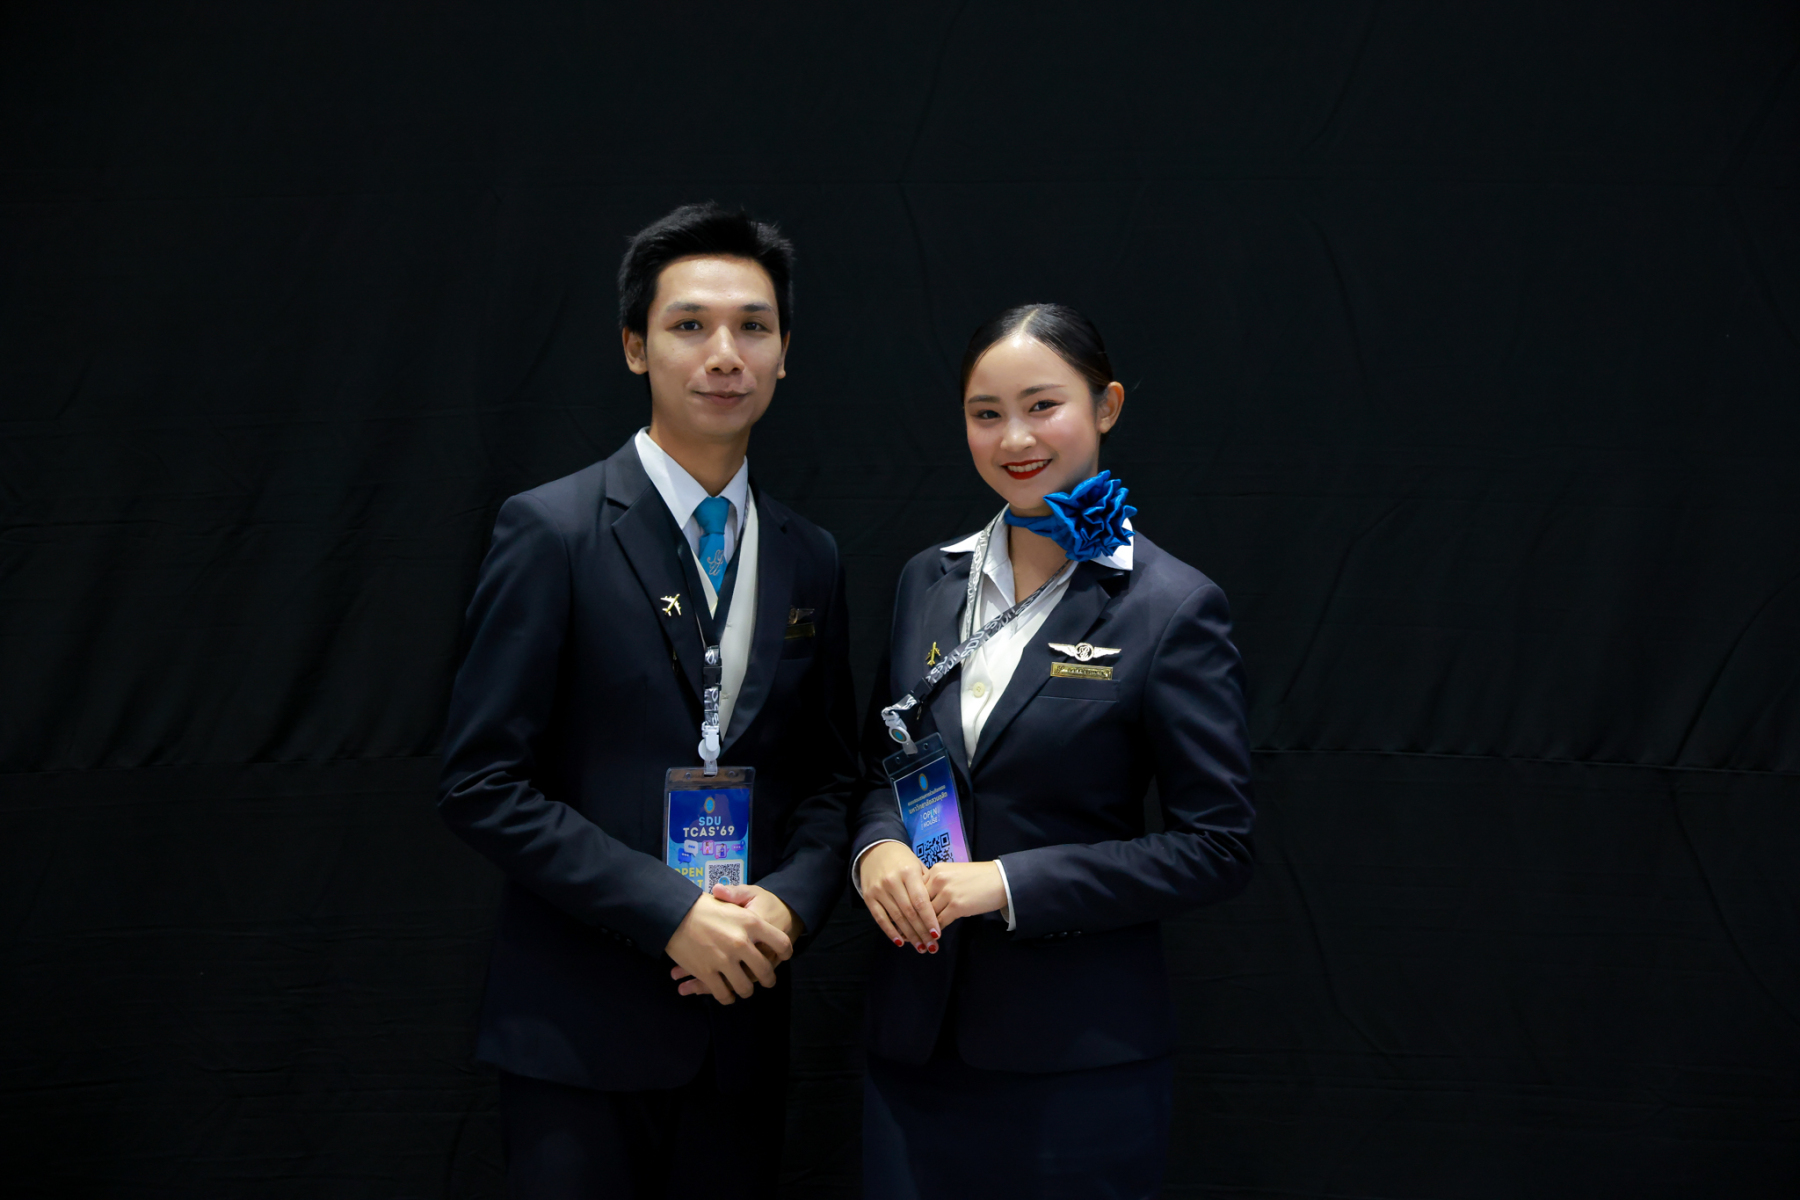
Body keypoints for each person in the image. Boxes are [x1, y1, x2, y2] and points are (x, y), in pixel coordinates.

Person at [438, 202, 859, 1199]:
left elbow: (833, 780)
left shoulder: (810, 555)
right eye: (689, 325)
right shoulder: (552, 530)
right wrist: (668, 911)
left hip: (741, 1019)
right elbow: (481, 782)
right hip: (579, 1031)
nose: (725, 355)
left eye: (753, 327)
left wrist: (787, 909)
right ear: (635, 347)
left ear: (785, 354)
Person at [853, 303, 1256, 1198]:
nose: (1014, 439)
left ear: (1106, 406)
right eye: (986, 413)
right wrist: (877, 847)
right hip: (914, 1046)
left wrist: (1006, 885)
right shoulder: (929, 579)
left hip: (1076, 1064)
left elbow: (1217, 847)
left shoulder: (1171, 607)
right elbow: (888, 760)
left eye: (1043, 406)